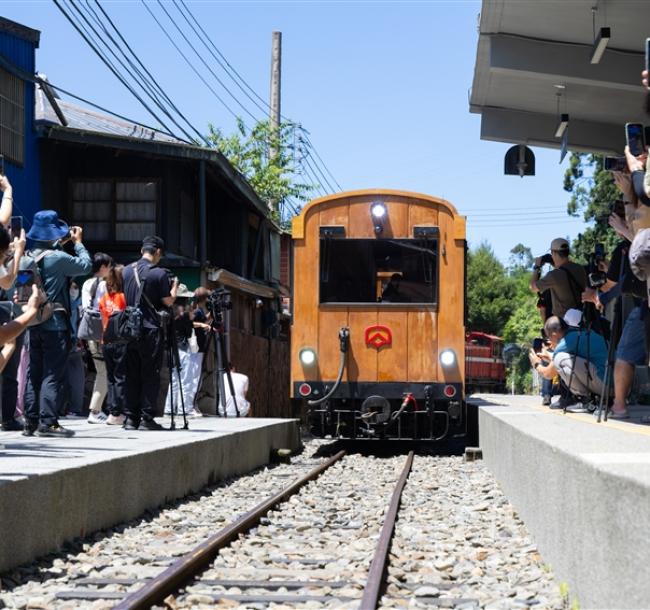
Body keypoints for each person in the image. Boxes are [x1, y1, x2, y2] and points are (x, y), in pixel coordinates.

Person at [22, 211, 92, 438]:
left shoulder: (27, 257)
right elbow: (85, 266)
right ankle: (49, 423)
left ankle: (30, 421)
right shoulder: (58, 258)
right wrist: (78, 243)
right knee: (52, 373)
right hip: (55, 323)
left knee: (34, 373)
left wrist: (59, 243)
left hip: (32, 321)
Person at [122, 236, 178, 430]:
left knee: (131, 374)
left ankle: (130, 418)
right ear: (158, 253)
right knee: (150, 374)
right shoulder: (159, 273)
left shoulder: (127, 271)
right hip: (150, 329)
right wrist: (175, 287)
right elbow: (168, 302)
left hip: (129, 330)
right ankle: (147, 418)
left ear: (141, 250)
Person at [529, 313, 607, 413]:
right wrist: (549, 357)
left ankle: (585, 400)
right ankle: (592, 399)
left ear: (554, 334)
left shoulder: (565, 343)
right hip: (615, 385)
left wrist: (536, 364)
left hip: (605, 385)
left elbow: (548, 374)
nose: (548, 341)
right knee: (558, 359)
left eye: (548, 337)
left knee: (560, 359)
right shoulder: (580, 333)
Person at [82, 252, 112, 424]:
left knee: (101, 370)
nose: (110, 269)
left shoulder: (87, 283)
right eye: (108, 266)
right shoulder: (103, 285)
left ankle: (97, 409)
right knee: (104, 372)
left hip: (89, 330)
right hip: (101, 331)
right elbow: (105, 308)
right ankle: (95, 410)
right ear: (102, 268)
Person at [164, 285, 202, 417]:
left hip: (171, 348)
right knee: (185, 380)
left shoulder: (170, 311)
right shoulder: (184, 313)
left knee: (174, 380)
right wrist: (190, 318)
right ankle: (183, 409)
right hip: (183, 349)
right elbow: (188, 331)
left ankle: (169, 409)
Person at [98, 265, 127, 426]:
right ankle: (118, 412)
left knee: (111, 377)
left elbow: (103, 319)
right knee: (120, 377)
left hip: (106, 340)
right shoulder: (124, 298)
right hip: (120, 341)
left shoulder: (104, 299)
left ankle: (111, 411)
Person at [530, 238, 587, 319]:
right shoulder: (580, 269)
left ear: (554, 253)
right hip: (581, 317)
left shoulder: (554, 275)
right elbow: (566, 271)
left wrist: (537, 267)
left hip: (564, 322)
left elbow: (533, 287)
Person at [63, 281, 85, 417]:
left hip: (61, 338)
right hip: (75, 340)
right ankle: (74, 408)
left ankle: (58, 407)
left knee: (57, 375)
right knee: (77, 375)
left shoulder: (62, 301)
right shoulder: (79, 301)